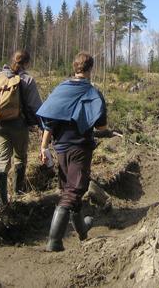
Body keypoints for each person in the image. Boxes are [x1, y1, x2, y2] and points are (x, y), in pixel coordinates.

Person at [37, 52, 110, 252]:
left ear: (74, 67)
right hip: (80, 148)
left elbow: (49, 123)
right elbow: (102, 127)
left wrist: (44, 146)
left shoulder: (60, 90)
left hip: (60, 148)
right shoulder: (93, 93)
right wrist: (108, 132)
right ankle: (54, 240)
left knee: (69, 189)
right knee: (74, 190)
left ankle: (82, 231)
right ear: (90, 69)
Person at [0, 50, 42, 205]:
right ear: (27, 63)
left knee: (2, 161)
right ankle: (17, 193)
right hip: (18, 125)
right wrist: (39, 124)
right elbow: (36, 107)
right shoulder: (28, 80)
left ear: (12, 60)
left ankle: (2, 200)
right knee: (20, 157)